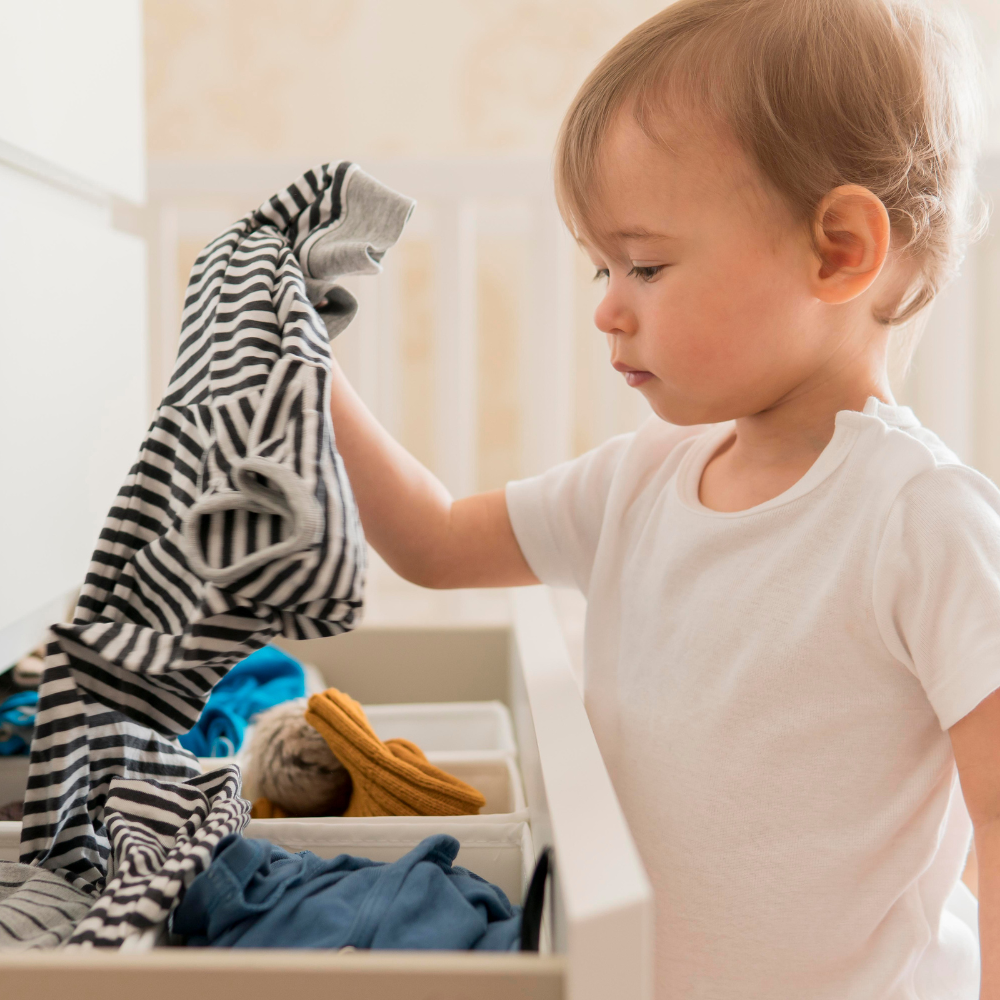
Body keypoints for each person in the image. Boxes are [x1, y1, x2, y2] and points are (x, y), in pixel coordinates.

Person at [326, 1, 999, 996]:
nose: (605, 302)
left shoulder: (918, 518)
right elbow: (432, 542)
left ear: (838, 250)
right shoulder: (637, 481)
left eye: (644, 264)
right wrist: (309, 371)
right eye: (603, 266)